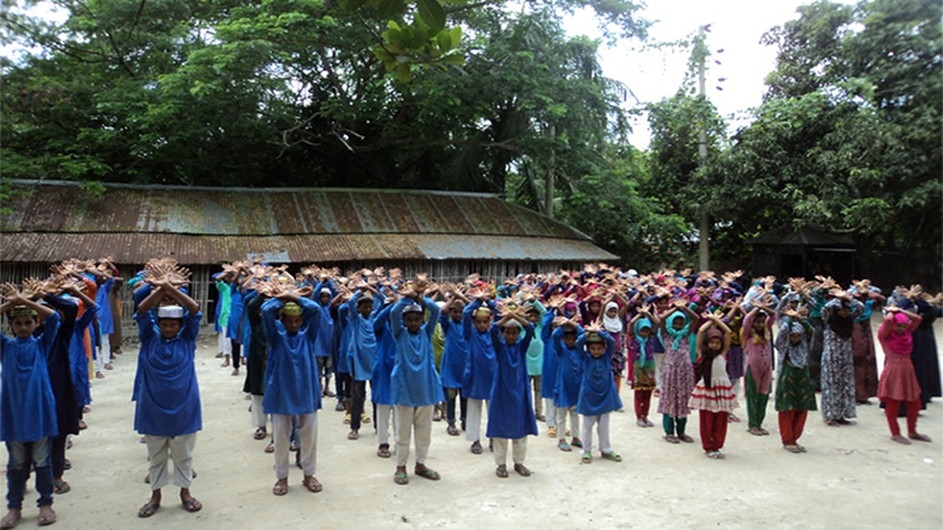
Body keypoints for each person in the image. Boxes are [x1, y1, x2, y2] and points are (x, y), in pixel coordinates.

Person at [133, 278, 203, 518]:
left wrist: (170, 289)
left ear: (180, 325)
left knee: (184, 455)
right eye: (164, 324)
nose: (169, 328)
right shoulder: (149, 339)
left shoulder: (187, 341)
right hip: (153, 407)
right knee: (156, 456)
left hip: (184, 406)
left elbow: (194, 310)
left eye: (173, 324)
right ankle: (156, 495)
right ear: (158, 324)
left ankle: (185, 492)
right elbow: (141, 310)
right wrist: (161, 289)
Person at [0, 286, 60, 528]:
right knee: (15, 463)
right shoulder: (6, 347)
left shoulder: (42, 345)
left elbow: (54, 318)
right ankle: (14, 507)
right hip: (14, 413)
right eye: (18, 323)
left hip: (40, 411)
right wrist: (9, 304)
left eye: (28, 322)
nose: (23, 327)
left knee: (42, 461)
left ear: (36, 324)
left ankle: (46, 503)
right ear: (11, 326)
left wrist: (23, 299)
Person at [261, 291, 324, 496]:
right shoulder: (276, 337)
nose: (294, 325)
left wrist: (294, 297)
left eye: (298, 321)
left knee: (309, 438)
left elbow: (315, 310)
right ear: (283, 321)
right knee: (281, 438)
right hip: (281, 394)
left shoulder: (308, 336)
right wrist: (282, 298)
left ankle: (309, 474)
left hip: (306, 393)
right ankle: (282, 478)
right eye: (290, 321)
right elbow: (265, 310)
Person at [388, 287, 444, 485]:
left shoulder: (427, 333)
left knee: (424, 432)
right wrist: (406, 298)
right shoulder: (399, 334)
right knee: (402, 432)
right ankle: (400, 466)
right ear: (404, 321)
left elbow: (436, 311)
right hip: (404, 391)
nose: (413, 322)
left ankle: (420, 464)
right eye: (409, 319)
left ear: (422, 320)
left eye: (417, 319)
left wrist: (420, 298)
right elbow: (393, 312)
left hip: (426, 391)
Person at [487, 310, 538, 477]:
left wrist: (515, 316)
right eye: (507, 332)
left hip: (519, 393)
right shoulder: (499, 348)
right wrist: (506, 318)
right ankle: (500, 464)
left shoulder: (521, 348)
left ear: (518, 334)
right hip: (501, 393)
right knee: (500, 431)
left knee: (520, 430)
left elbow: (530, 328)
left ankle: (519, 462)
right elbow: (493, 329)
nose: (511, 336)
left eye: (514, 332)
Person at [877, 307, 931, 445]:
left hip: (908, 371)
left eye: (903, 325)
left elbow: (918, 319)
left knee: (914, 403)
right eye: (898, 325)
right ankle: (895, 433)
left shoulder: (906, 333)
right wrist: (891, 311)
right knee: (893, 403)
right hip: (894, 372)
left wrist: (900, 310)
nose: (901, 328)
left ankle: (912, 431)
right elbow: (888, 321)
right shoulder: (885, 335)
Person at [689, 313, 737, 459]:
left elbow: (728, 332)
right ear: (707, 343)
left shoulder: (723, 354)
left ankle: (717, 445)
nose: (715, 345)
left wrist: (717, 320)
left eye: (718, 342)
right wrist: (711, 321)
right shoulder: (702, 354)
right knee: (707, 420)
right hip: (707, 390)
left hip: (722, 390)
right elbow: (701, 332)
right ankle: (708, 446)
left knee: (721, 420)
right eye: (712, 342)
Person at [575, 326, 623, 464]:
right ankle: (587, 450)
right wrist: (588, 333)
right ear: (588, 349)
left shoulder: (606, 357)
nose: (596, 351)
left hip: (605, 396)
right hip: (589, 396)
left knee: (604, 426)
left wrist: (599, 332)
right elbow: (579, 344)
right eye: (592, 348)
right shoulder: (585, 358)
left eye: (599, 348)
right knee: (587, 426)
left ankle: (606, 449)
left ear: (603, 348)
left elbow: (612, 342)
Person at [774, 313, 817, 453]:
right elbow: (781, 334)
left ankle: (795, 438)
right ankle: (787, 439)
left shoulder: (804, 347)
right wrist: (791, 319)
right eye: (793, 336)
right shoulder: (784, 347)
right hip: (787, 382)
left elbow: (811, 331)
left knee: (801, 409)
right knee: (787, 410)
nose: (795, 338)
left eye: (798, 336)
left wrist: (800, 319)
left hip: (803, 382)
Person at [820, 291, 864, 426]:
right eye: (841, 310)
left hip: (845, 358)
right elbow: (825, 309)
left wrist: (849, 299)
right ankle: (830, 415)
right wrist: (838, 299)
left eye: (847, 310)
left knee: (845, 385)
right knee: (831, 384)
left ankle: (842, 414)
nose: (845, 313)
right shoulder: (829, 320)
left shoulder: (849, 320)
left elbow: (861, 308)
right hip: (831, 359)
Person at [658, 303, 698, 444]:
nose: (678, 325)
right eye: (675, 322)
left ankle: (681, 431)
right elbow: (662, 319)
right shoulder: (667, 334)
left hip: (685, 372)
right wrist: (675, 308)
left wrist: (684, 309)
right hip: (671, 372)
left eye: (681, 322)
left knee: (682, 401)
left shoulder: (686, 334)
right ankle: (669, 431)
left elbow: (696, 318)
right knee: (670, 400)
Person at [462, 296, 497, 455]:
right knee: (474, 409)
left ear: (490, 321)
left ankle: (493, 437)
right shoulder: (471, 334)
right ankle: (475, 440)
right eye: (478, 322)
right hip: (475, 376)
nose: (482, 325)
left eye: (485, 321)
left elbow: (501, 315)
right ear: (474, 322)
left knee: (494, 410)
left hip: (493, 376)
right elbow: (465, 312)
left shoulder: (495, 333)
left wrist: (489, 302)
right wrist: (478, 300)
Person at [551, 318, 583, 451]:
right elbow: (555, 335)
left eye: (573, 338)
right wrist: (564, 325)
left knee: (575, 413)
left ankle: (576, 437)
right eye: (567, 338)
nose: (570, 341)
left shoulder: (580, 349)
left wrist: (573, 324)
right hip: (563, 387)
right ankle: (561, 439)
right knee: (561, 415)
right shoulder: (561, 350)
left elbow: (583, 335)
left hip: (575, 387)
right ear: (563, 339)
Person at [742, 306, 775, 436]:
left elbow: (773, 316)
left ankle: (759, 423)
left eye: (762, 321)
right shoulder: (748, 334)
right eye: (758, 322)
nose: (760, 324)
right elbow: (747, 320)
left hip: (766, 368)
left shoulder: (767, 332)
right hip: (753, 368)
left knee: (764, 395)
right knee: (752, 396)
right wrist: (757, 308)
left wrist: (764, 307)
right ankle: (752, 424)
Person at [628, 308, 659, 427]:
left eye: (647, 331)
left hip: (649, 368)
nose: (644, 333)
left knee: (648, 394)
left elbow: (656, 323)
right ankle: (639, 416)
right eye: (642, 331)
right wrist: (640, 314)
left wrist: (648, 314)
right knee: (639, 394)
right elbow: (631, 323)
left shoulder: (650, 339)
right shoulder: (634, 339)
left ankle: (645, 416)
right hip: (639, 369)